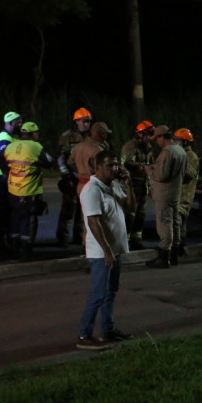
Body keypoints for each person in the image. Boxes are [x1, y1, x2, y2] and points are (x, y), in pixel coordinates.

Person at [76, 150, 133, 350]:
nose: (115, 168)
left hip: (114, 249)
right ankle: (84, 335)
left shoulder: (112, 186)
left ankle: (108, 330)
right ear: (97, 168)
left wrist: (128, 184)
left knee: (111, 292)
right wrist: (107, 251)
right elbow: (93, 222)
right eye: (110, 165)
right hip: (102, 253)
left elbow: (130, 206)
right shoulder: (92, 190)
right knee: (98, 293)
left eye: (116, 164)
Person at [0, 121, 54, 261]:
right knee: (28, 221)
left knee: (15, 219)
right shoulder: (35, 146)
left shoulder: (11, 145)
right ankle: (26, 252)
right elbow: (48, 162)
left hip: (12, 189)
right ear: (33, 133)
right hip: (28, 190)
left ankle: (15, 250)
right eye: (37, 133)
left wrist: (8, 170)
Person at [147, 125, 187, 268]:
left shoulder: (167, 152)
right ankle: (174, 255)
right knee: (175, 223)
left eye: (157, 138)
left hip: (164, 193)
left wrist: (150, 172)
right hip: (176, 192)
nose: (156, 141)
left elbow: (162, 175)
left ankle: (164, 257)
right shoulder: (180, 150)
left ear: (162, 137)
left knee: (165, 224)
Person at [55, 107, 93, 246]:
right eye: (84, 121)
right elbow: (61, 157)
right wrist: (65, 174)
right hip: (71, 176)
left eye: (89, 122)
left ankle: (78, 236)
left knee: (82, 209)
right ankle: (62, 238)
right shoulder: (67, 136)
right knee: (68, 208)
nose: (87, 124)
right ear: (76, 121)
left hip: (85, 177)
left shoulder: (91, 137)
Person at [119, 120, 156, 250]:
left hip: (143, 185)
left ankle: (136, 240)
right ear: (140, 134)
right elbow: (126, 163)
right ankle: (124, 241)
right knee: (130, 214)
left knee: (141, 214)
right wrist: (143, 167)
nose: (150, 137)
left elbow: (151, 165)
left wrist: (151, 184)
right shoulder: (130, 146)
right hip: (131, 185)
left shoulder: (149, 148)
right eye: (148, 134)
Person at [0, 111, 23, 254]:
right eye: (18, 122)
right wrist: (9, 175)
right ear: (10, 123)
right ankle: (2, 243)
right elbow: (0, 158)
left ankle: (8, 240)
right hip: (2, 178)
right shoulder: (4, 139)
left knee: (9, 210)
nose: (20, 125)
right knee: (4, 209)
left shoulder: (12, 138)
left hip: (6, 177)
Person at [174, 127, 199, 256]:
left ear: (185, 142)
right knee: (179, 225)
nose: (175, 142)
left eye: (178, 140)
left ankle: (177, 249)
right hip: (177, 195)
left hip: (184, 196)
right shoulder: (181, 155)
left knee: (177, 223)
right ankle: (179, 249)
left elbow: (189, 175)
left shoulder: (191, 157)